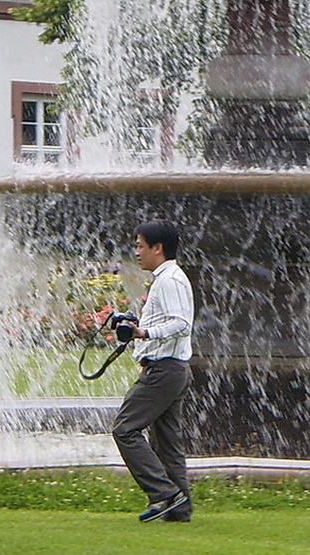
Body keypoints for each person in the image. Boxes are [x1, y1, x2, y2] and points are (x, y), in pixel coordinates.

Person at [111, 219, 195, 523]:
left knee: (125, 428)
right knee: (166, 443)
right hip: (172, 369)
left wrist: (142, 333)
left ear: (157, 248)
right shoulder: (167, 277)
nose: (136, 252)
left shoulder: (169, 279)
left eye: (140, 246)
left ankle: (165, 494)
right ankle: (179, 508)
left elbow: (181, 323)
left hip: (163, 371)